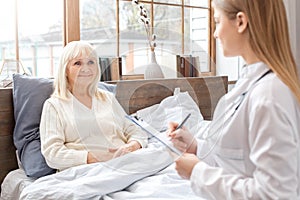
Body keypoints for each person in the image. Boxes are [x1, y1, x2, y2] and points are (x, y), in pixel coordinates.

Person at [167, 0, 300, 199]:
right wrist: (195, 147)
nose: (215, 33)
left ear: (240, 22)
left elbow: (276, 194)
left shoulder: (269, 95)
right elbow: (239, 161)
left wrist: (197, 173)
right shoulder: (252, 83)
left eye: (217, 21)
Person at [39, 41, 147, 171]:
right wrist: (92, 157)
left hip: (125, 164)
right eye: (77, 63)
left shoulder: (107, 98)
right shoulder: (54, 106)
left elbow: (136, 131)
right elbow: (52, 154)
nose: (86, 68)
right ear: (65, 70)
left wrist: (130, 147)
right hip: (85, 171)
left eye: (91, 62)